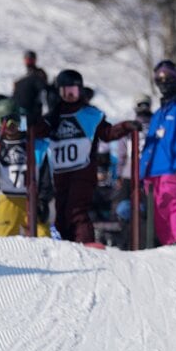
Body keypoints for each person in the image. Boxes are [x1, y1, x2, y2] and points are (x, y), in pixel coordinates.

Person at [36, 68, 138, 244]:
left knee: (76, 211)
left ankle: (86, 243)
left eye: (74, 92)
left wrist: (125, 126)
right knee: (61, 214)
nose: (70, 96)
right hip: (60, 174)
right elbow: (37, 132)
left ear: (80, 91)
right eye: (66, 92)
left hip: (82, 172)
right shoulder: (53, 117)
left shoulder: (89, 114)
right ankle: (69, 246)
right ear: (58, 92)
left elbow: (107, 133)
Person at [139, 60, 176, 245]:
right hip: (153, 171)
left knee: (172, 203)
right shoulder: (158, 114)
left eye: (168, 77)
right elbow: (149, 146)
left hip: (171, 167)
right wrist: (141, 172)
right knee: (158, 209)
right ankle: (169, 243)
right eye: (160, 78)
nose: (164, 82)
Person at [0, 97, 51, 236]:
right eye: (5, 120)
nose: (10, 124)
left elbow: (46, 179)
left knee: (44, 237)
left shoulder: (36, 146)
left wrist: (43, 201)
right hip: (8, 199)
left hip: (32, 199)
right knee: (1, 240)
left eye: (13, 119)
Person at [12, 50, 50, 119]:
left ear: (35, 60)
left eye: (31, 60)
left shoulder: (39, 73)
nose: (29, 62)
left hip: (34, 108)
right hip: (22, 108)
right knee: (22, 126)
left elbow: (43, 88)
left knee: (30, 126)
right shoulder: (25, 74)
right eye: (27, 60)